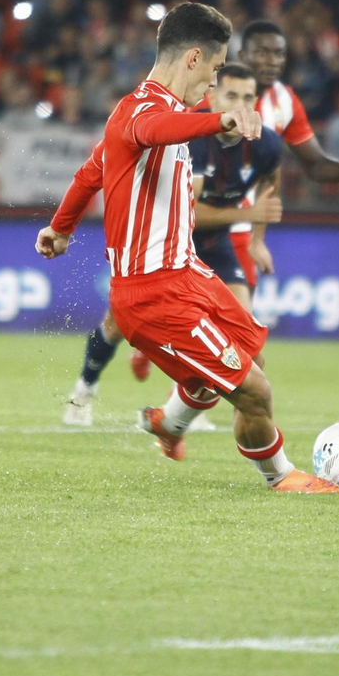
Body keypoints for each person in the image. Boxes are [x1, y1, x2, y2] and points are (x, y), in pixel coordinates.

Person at [37, 3, 339, 492]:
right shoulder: (141, 111)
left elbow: (92, 171)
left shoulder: (169, 114)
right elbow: (155, 131)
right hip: (151, 294)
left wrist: (61, 227)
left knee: (252, 362)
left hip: (188, 274)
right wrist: (220, 121)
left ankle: (168, 424)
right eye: (216, 69)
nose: (215, 83)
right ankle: (281, 477)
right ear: (195, 58)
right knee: (255, 393)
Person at [63, 64, 283, 425]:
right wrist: (247, 213)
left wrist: (257, 239)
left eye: (247, 97)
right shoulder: (192, 135)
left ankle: (176, 416)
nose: (240, 104)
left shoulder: (266, 144)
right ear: (213, 96)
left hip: (212, 245)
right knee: (116, 325)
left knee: (243, 338)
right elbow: (191, 210)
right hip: (163, 246)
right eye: (231, 96)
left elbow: (271, 180)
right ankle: (83, 390)